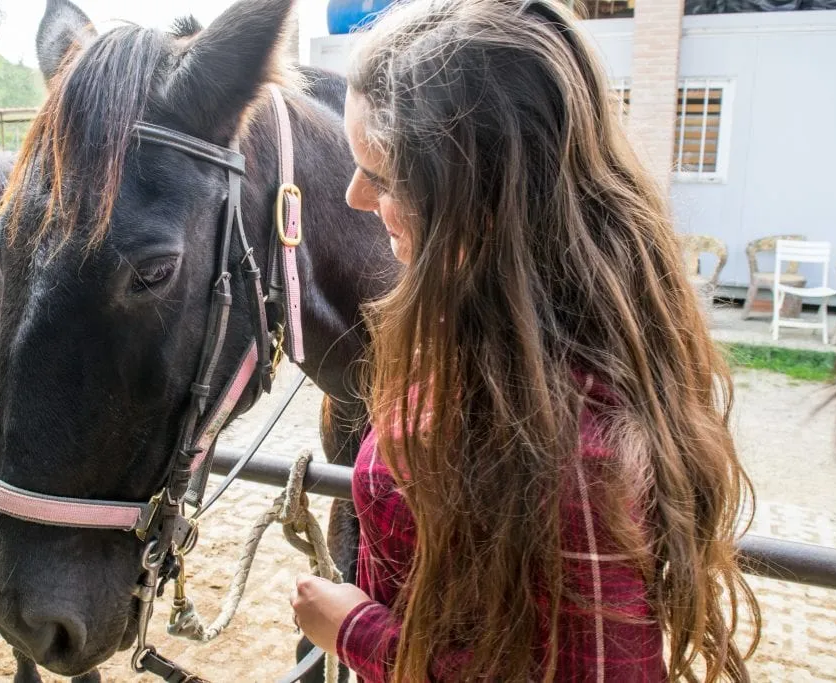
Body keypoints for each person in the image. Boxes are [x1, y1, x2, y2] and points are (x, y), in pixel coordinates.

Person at [289, 0, 761, 679]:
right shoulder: (490, 331)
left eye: (384, 175)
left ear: (476, 199)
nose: (357, 198)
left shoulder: (581, 454)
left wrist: (357, 631)